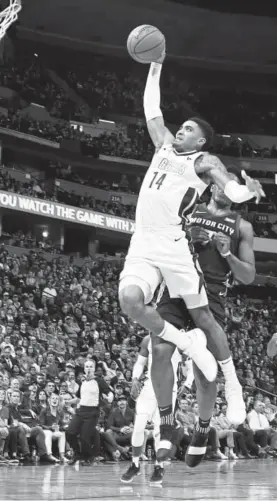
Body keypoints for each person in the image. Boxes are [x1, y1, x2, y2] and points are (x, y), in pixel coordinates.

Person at [118, 53, 263, 454]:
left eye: (187, 129)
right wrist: (155, 65)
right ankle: (185, 347)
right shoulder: (163, 147)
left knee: (204, 317)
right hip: (143, 243)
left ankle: (230, 387)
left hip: (174, 247)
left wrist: (244, 190)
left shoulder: (205, 161)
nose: (178, 131)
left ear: (200, 141)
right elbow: (151, 109)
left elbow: (230, 190)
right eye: (179, 127)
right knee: (129, 301)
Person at [152, 166, 256, 467]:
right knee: (160, 351)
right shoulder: (190, 209)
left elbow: (248, 276)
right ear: (213, 187)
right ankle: (167, 422)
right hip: (176, 287)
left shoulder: (242, 227)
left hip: (211, 294)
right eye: (224, 184)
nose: (227, 190)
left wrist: (227, 254)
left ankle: (202, 426)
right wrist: (186, 238)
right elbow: (162, 240)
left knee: (204, 373)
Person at [120, 334, 183, 484]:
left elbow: (190, 363)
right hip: (149, 387)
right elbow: (140, 363)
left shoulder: (179, 339)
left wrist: (187, 384)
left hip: (168, 389)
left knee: (159, 430)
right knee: (138, 427)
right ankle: (135, 464)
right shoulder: (148, 339)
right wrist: (135, 378)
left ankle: (159, 467)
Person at [66, 359, 113, 465]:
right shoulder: (82, 381)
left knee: (84, 436)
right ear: (84, 368)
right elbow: (78, 399)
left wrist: (110, 397)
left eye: (91, 367)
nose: (88, 369)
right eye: (87, 367)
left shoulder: (99, 380)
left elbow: (109, 392)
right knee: (69, 432)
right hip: (81, 410)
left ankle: (88, 457)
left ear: (94, 368)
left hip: (92, 411)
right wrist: (67, 401)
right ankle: (77, 454)